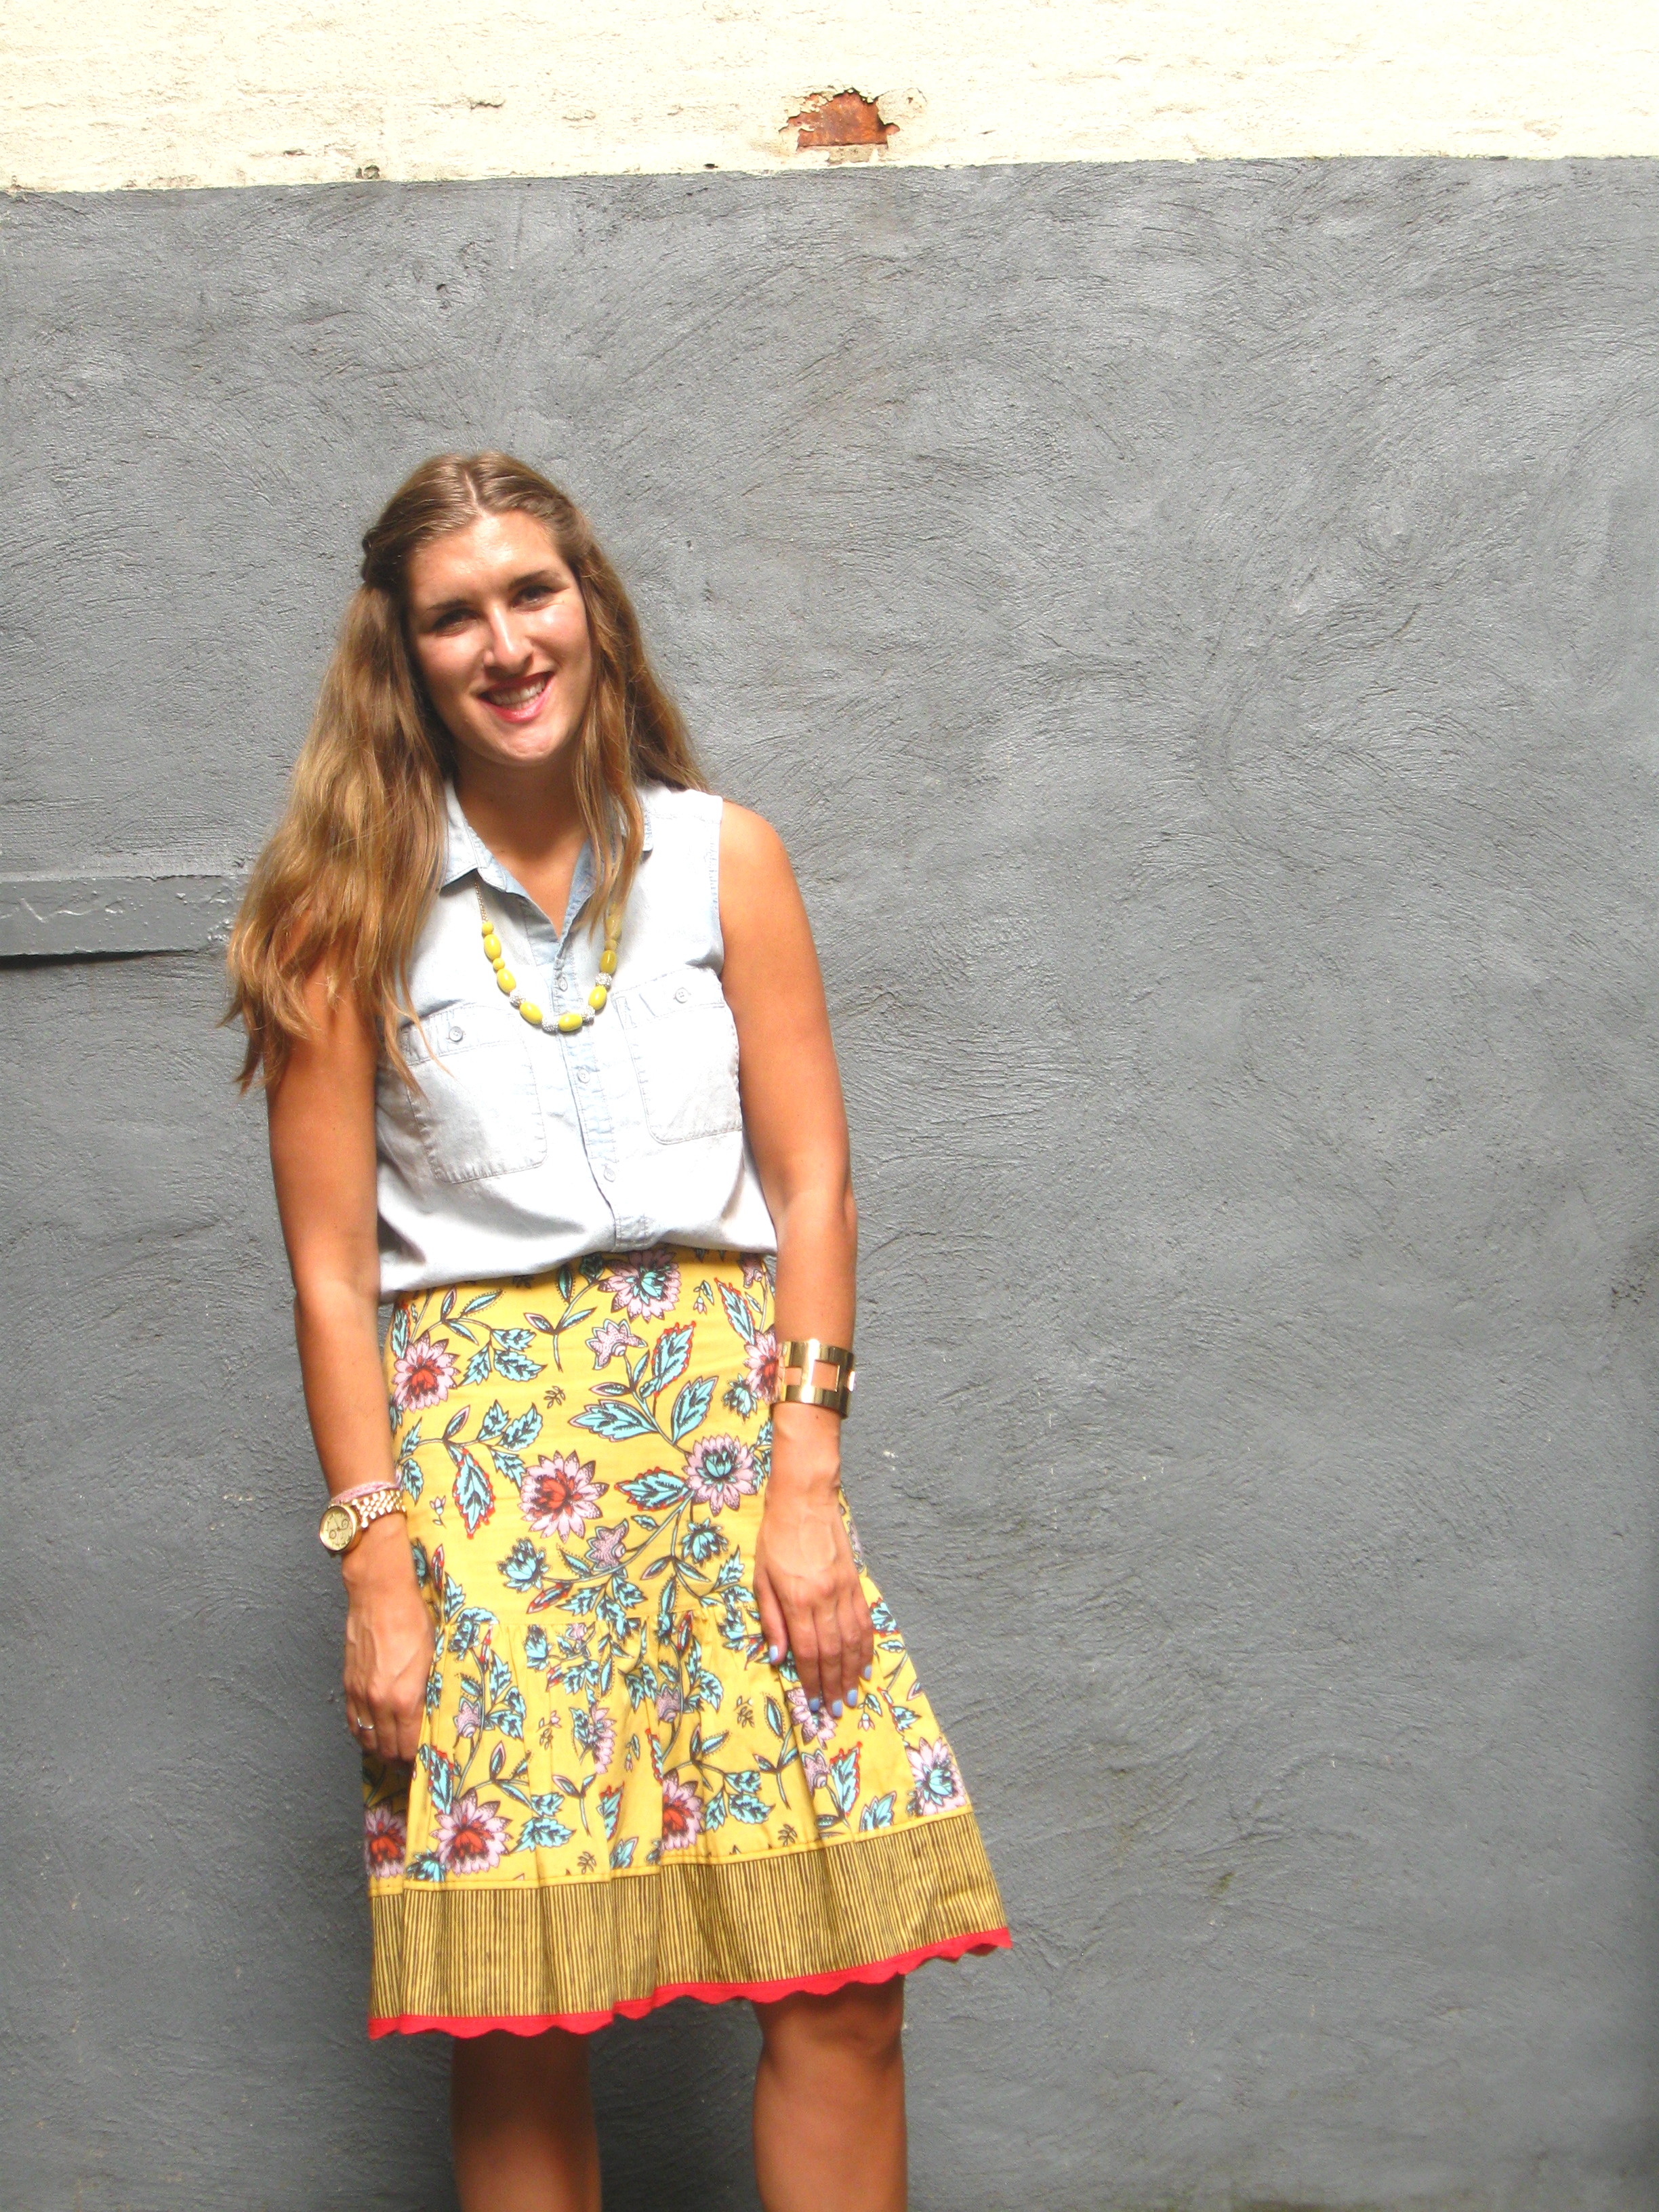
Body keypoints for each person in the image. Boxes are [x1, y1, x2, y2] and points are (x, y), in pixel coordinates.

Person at [227, 453, 1008, 2212]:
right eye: (456, 616)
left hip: (732, 1445)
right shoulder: (340, 911)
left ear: (592, 607)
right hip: (487, 1476)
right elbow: (333, 1278)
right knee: (522, 2005)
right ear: (404, 654)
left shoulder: (726, 859)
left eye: (533, 593)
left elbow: (814, 1185)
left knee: (845, 1973)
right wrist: (378, 1570)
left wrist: (806, 1479)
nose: (506, 644)